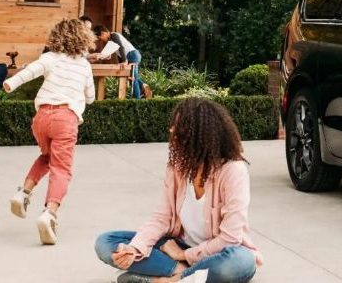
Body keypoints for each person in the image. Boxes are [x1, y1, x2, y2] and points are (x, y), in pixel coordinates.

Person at [95, 98, 261, 283]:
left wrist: (184, 254)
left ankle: (168, 280)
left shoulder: (233, 171)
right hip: (176, 249)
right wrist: (134, 249)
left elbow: (230, 239)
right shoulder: (178, 168)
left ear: (202, 135)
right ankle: (185, 274)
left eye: (179, 127)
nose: (172, 131)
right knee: (106, 242)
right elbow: (161, 218)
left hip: (219, 254)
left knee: (241, 262)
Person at [3, 18, 96, 245]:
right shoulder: (84, 66)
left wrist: (10, 85)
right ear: (83, 39)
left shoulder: (49, 58)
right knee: (61, 169)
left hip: (42, 118)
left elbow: (29, 72)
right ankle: (49, 214)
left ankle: (24, 192)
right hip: (66, 118)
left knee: (47, 157)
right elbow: (91, 97)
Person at [90, 25, 145, 99]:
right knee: (132, 77)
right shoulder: (110, 40)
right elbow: (113, 54)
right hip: (131, 56)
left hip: (132, 55)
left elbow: (121, 47)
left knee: (132, 78)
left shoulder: (114, 35)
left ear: (103, 33)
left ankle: (137, 101)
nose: (101, 40)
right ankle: (144, 85)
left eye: (100, 38)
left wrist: (125, 61)